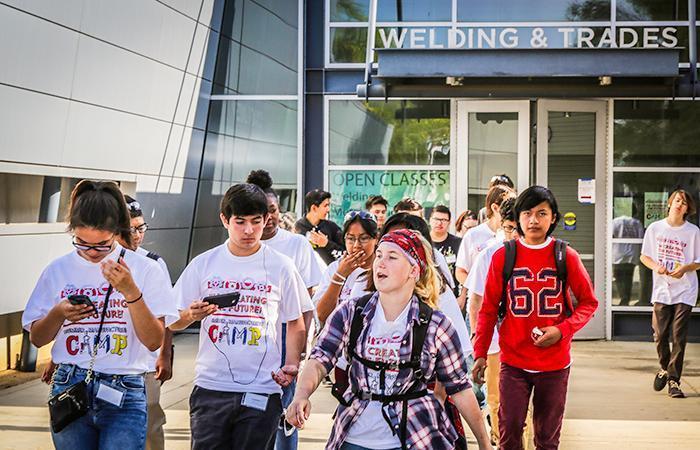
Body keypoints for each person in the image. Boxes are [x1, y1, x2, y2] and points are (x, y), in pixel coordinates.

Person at [286, 229, 492, 450]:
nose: (380, 263)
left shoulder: (435, 324)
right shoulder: (351, 312)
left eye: (392, 257)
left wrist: (484, 443)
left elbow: (459, 388)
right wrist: (301, 395)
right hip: (354, 435)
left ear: (414, 270)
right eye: (379, 255)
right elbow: (320, 359)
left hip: (416, 435)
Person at [22, 180, 177, 449]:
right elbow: (37, 338)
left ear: (118, 231)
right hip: (71, 384)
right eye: (81, 243)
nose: (92, 252)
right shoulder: (58, 270)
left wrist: (131, 292)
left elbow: (153, 341)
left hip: (126, 388)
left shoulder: (145, 269)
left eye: (103, 244)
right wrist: (59, 313)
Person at [170, 183, 309, 450]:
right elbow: (171, 320)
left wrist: (292, 363)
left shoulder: (281, 265)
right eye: (240, 222)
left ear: (267, 219)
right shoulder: (204, 263)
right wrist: (189, 315)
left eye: (256, 221)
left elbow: (295, 320)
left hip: (262, 389)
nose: (248, 230)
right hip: (211, 387)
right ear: (224, 219)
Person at [472, 186, 598, 450]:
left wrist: (562, 330)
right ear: (517, 218)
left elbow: (589, 303)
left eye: (542, 213)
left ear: (553, 218)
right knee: (509, 433)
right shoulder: (502, 256)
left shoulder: (566, 255)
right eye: (527, 213)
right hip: (513, 362)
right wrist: (480, 352)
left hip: (555, 364)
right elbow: (488, 309)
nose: (533, 220)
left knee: (547, 438)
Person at [246, 169, 321, 450]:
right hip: (252, 338)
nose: (268, 217)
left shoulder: (296, 244)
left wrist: (300, 347)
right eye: (260, 212)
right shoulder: (240, 246)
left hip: (285, 339)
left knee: (285, 416)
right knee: (252, 414)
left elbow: (307, 301)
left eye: (273, 210)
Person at [466, 198, 533, 448]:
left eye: (519, 227)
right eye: (509, 228)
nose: (515, 234)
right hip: (495, 343)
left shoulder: (540, 253)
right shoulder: (490, 255)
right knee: (497, 402)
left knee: (525, 406)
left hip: (530, 343)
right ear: (500, 225)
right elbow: (475, 302)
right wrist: (478, 343)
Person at [124, 195, 175, 450]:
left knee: (151, 422)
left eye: (141, 227)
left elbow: (167, 316)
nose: (137, 235)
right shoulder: (98, 261)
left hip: (146, 361)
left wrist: (165, 355)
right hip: (114, 360)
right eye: (131, 229)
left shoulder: (153, 263)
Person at [640, 189, 700, 399]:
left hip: (685, 289)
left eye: (684, 203)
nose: (679, 205)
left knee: (678, 336)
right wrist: (657, 267)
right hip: (662, 289)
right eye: (677, 200)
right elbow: (644, 257)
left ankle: (674, 381)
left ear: (687, 209)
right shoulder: (655, 229)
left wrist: (684, 268)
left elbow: (698, 261)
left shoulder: (693, 232)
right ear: (669, 203)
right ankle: (665, 367)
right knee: (660, 334)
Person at [455, 185, 515, 310]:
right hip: (478, 305)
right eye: (507, 204)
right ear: (495, 207)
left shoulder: (516, 234)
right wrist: (481, 287)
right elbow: (460, 272)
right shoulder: (473, 234)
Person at [295, 189, 344, 265]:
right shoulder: (297, 228)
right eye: (325, 206)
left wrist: (327, 244)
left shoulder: (332, 227)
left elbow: (344, 254)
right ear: (314, 208)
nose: (328, 209)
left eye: (329, 205)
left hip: (329, 274)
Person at [612, 205, 645, 305]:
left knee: (618, 277)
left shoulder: (615, 221)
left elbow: (610, 235)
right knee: (628, 277)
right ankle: (626, 299)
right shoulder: (637, 223)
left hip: (618, 254)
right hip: (631, 254)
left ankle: (623, 297)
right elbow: (641, 238)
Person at [430, 205, 462, 297]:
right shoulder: (423, 242)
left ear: (449, 223)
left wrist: (462, 296)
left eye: (444, 220)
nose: (439, 223)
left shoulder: (458, 243)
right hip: (428, 295)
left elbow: (465, 270)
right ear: (430, 220)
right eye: (436, 219)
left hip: (453, 295)